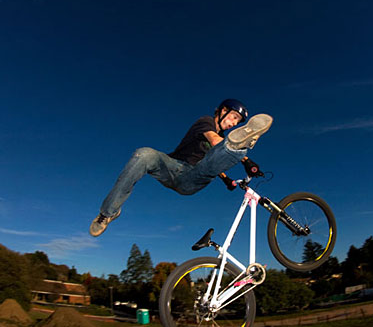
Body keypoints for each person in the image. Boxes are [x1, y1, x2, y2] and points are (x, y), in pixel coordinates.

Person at [90, 99, 273, 237]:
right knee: (144, 154)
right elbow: (214, 140)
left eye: (238, 121)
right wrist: (244, 159)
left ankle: (238, 148)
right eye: (233, 117)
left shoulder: (221, 143)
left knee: (211, 161)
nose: (233, 123)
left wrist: (226, 179)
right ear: (223, 111)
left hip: (191, 178)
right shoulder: (206, 122)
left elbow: (210, 163)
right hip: (171, 167)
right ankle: (108, 213)